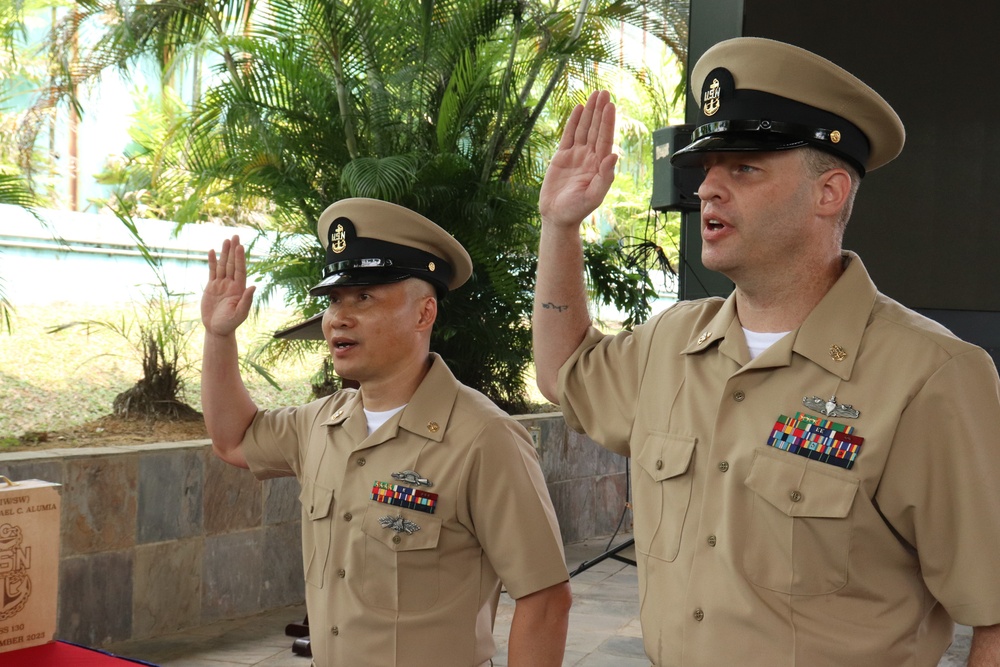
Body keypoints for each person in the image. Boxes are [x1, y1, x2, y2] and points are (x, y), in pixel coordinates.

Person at [533, 37, 1000, 667]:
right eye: (707, 169)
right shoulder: (672, 342)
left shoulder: (931, 376)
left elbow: (994, 617)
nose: (707, 190)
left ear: (829, 192)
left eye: (744, 169)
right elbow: (565, 374)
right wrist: (560, 226)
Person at [201, 197, 572, 667]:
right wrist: (218, 336)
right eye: (335, 299)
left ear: (424, 313)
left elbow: (545, 600)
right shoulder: (320, 423)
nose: (339, 317)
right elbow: (232, 439)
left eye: (365, 297)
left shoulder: (484, 438)